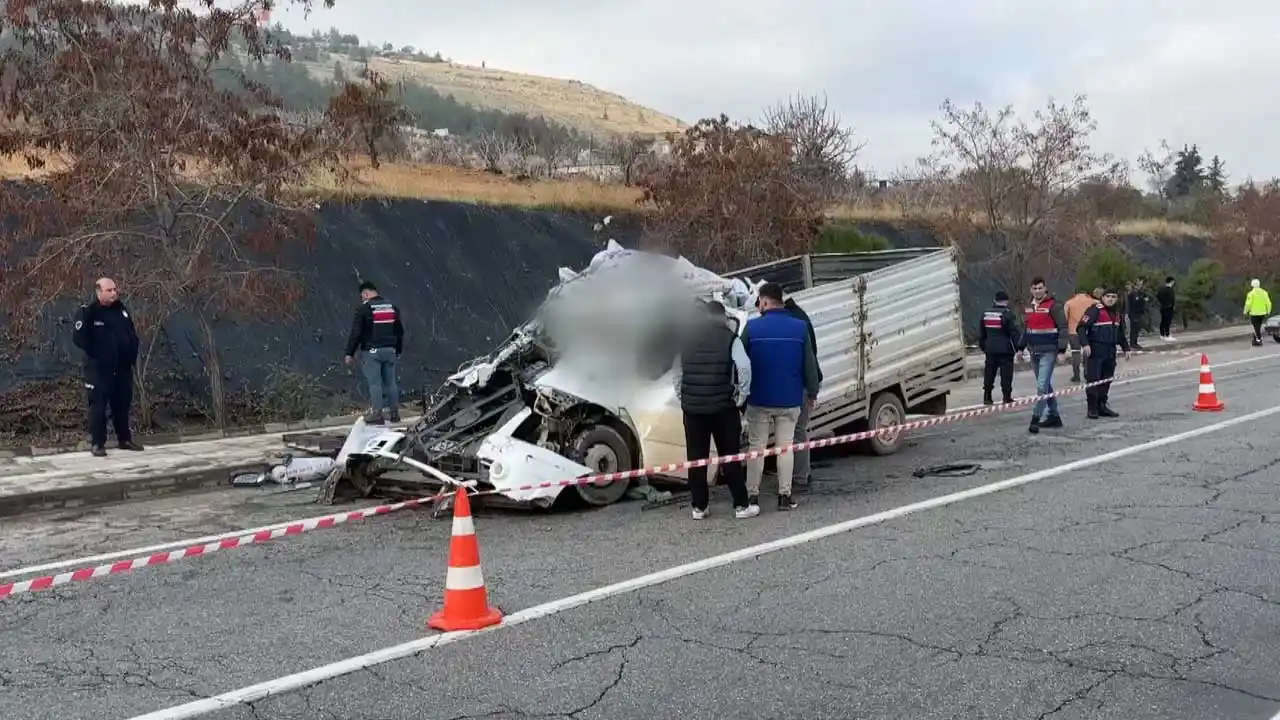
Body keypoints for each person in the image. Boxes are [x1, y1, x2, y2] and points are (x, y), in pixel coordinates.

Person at [671, 301, 756, 520]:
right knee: (730, 457)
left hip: (693, 410)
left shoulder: (686, 340)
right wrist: (741, 396)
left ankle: (699, 507)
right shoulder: (730, 339)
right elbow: (744, 366)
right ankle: (740, 505)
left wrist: (684, 397)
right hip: (723, 409)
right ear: (722, 318)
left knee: (696, 459)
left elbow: (676, 374)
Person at [742, 282, 821, 512]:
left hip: (759, 399)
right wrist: (812, 392)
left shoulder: (752, 328)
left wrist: (740, 395)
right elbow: (810, 365)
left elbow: (742, 364)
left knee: (756, 447)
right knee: (785, 448)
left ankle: (752, 497)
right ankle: (784, 497)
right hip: (789, 400)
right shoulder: (799, 328)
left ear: (765, 302)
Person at [72, 277, 143, 457]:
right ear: (99, 292)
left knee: (122, 405)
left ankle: (124, 439)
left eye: (114, 290)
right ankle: (97, 443)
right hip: (99, 370)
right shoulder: (89, 312)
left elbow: (130, 333)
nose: (114, 293)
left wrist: (132, 349)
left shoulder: (121, 310)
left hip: (122, 368)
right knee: (98, 406)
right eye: (109, 290)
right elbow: (79, 338)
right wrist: (98, 354)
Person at [344, 281, 405, 424]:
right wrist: (398, 350)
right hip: (390, 350)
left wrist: (349, 352)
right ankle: (394, 414)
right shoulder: (392, 307)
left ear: (366, 293)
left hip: (372, 352)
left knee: (375, 384)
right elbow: (400, 332)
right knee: (391, 383)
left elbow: (356, 333)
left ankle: (377, 415)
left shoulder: (364, 309)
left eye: (362, 296)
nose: (362, 299)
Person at [783, 294, 822, 489]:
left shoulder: (794, 321)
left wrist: (812, 391)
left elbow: (808, 361)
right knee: (797, 430)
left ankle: (800, 477)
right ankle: (800, 474)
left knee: (797, 430)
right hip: (805, 383)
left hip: (803, 384)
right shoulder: (799, 316)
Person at [1021, 276, 1068, 434]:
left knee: (1041, 386)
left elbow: (1063, 328)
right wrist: (1020, 348)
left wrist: (1062, 351)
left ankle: (1035, 419)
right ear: (1031, 290)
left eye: (1040, 288)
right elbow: (1026, 329)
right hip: (1033, 351)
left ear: (1045, 288)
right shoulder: (1028, 307)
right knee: (1046, 385)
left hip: (1049, 351)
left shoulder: (1053, 305)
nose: (1037, 291)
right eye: (1034, 288)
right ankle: (1054, 416)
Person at [1077, 288, 1130, 419]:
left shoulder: (1117, 314)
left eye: (1113, 296)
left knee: (1106, 379)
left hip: (1110, 350)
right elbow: (1081, 328)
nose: (1110, 299)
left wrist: (1126, 349)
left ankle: (1102, 406)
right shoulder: (1094, 310)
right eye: (1108, 296)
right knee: (1093, 380)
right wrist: (1085, 344)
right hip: (1095, 349)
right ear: (1103, 297)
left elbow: (1120, 333)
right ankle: (1092, 408)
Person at [978, 290, 1020, 405]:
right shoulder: (1008, 314)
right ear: (1006, 301)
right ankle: (1006, 397)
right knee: (1006, 375)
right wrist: (1018, 348)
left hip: (990, 349)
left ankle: (987, 396)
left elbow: (982, 334)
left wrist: (984, 347)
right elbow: (1014, 333)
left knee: (989, 373)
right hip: (1005, 350)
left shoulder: (985, 314)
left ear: (994, 301)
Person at [1064, 288, 1100, 383]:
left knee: (1075, 353)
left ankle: (1076, 375)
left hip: (1073, 331)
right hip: (1088, 331)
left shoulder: (1069, 303)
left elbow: (1065, 318)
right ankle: (1087, 372)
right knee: (1087, 352)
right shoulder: (1095, 302)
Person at [1243, 279, 1273, 346]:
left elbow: (1248, 304)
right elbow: (1268, 303)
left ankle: (1258, 340)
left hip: (1254, 313)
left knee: (1256, 326)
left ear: (1252, 285)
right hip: (1262, 313)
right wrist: (1268, 311)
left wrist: (1245, 312)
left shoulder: (1251, 294)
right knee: (1258, 326)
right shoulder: (1264, 292)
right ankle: (1256, 338)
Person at [1126, 279, 1147, 350]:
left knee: (1137, 329)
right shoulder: (1132, 293)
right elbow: (1134, 303)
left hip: (1138, 313)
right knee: (1134, 329)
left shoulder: (1139, 293)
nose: (1140, 286)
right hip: (1133, 313)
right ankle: (1132, 343)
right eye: (1139, 285)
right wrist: (1142, 299)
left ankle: (1135, 342)